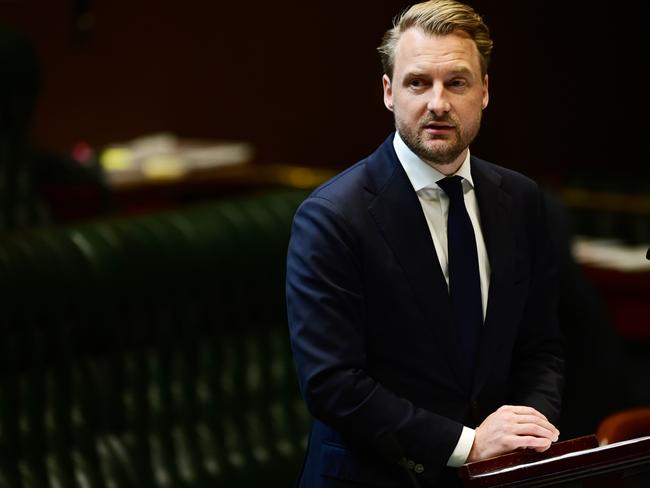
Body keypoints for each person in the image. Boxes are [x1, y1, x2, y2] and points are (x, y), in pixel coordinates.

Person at [286, 1, 564, 486]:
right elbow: (333, 385)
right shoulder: (332, 217)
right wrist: (468, 445)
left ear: (484, 92)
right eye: (418, 82)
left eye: (457, 82)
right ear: (390, 92)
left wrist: (525, 433)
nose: (438, 102)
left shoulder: (519, 199)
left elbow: (539, 346)